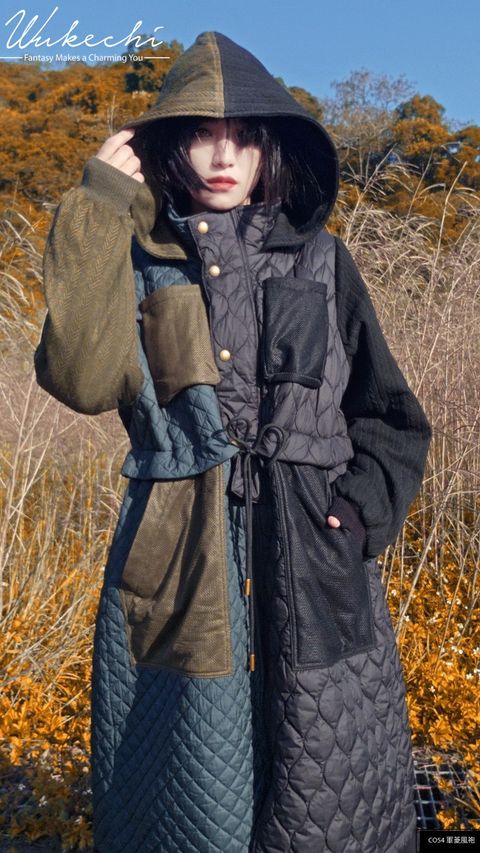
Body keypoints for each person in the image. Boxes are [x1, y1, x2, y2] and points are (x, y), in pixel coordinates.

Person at [34, 30, 431, 853]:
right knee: (191, 798)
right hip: (178, 562)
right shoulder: (141, 265)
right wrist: (98, 206)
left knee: (326, 796)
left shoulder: (323, 261)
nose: (224, 156)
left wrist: (360, 511)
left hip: (316, 564)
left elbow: (389, 414)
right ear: (167, 146)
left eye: (245, 137)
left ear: (271, 148)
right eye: (202, 134)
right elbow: (80, 378)